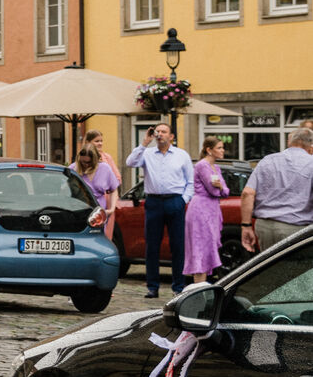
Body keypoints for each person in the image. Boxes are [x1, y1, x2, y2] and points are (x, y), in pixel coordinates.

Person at [125, 123, 194, 298]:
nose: (160, 134)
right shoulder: (147, 154)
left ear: (171, 136)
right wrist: (144, 143)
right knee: (152, 246)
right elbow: (130, 162)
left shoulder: (181, 155)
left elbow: (190, 182)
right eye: (158, 131)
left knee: (177, 245)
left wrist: (183, 200)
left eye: (164, 132)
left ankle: (178, 286)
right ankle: (152, 287)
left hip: (175, 200)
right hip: (154, 201)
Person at [240, 126, 313, 253]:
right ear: (310, 144)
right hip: (295, 229)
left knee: (269, 270)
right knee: (294, 270)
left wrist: (246, 226)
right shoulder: (311, 162)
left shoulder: (268, 160)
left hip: (264, 227)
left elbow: (247, 193)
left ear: (290, 142)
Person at [184, 135, 231, 283]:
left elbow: (225, 191)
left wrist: (221, 188)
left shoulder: (215, 167)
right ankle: (198, 287)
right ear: (209, 150)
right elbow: (214, 190)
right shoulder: (202, 165)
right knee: (200, 247)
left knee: (208, 246)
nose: (223, 150)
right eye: (219, 148)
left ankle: (202, 285)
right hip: (200, 209)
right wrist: (220, 188)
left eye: (222, 147)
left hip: (212, 210)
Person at [70, 146, 120, 240]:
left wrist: (111, 209)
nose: (85, 165)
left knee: (96, 239)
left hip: (97, 212)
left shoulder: (104, 168)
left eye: (89, 162)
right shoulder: (73, 168)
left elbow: (114, 189)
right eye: (83, 162)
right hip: (77, 210)